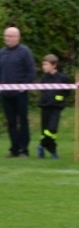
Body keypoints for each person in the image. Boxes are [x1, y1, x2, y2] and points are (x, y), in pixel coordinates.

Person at [0, 26, 37, 158]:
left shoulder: (24, 52)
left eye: (10, 36)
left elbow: (31, 72)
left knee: (22, 121)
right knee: (11, 122)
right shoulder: (2, 52)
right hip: (5, 94)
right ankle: (14, 148)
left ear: (17, 37)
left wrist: (24, 86)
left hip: (20, 94)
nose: (7, 39)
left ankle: (24, 149)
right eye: (5, 36)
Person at [37, 54, 71, 159]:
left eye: (46, 64)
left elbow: (67, 91)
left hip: (56, 107)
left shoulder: (62, 78)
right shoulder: (44, 78)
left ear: (54, 65)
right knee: (45, 131)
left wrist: (60, 98)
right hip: (45, 106)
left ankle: (41, 145)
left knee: (52, 128)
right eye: (43, 64)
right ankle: (52, 151)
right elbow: (43, 91)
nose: (44, 67)